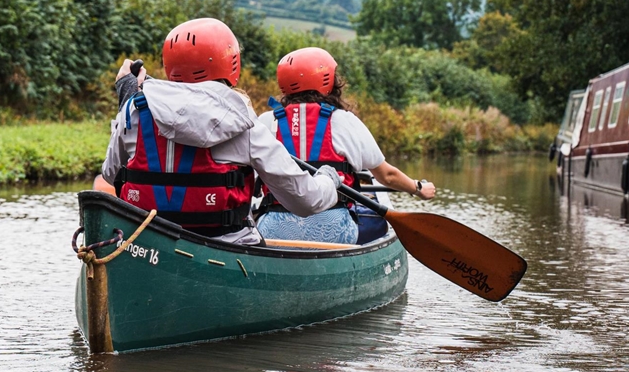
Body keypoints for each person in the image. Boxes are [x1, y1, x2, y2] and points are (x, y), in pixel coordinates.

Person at [100, 18, 343, 246]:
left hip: (148, 242)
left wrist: (127, 98)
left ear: (168, 66)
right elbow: (306, 202)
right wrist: (328, 180)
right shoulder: (246, 124)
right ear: (231, 63)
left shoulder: (134, 108)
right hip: (226, 247)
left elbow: (111, 175)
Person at [256, 46, 436, 244]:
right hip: (334, 230)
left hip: (273, 231)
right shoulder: (343, 120)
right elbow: (387, 175)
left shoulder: (265, 121)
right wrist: (418, 188)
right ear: (327, 81)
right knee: (376, 225)